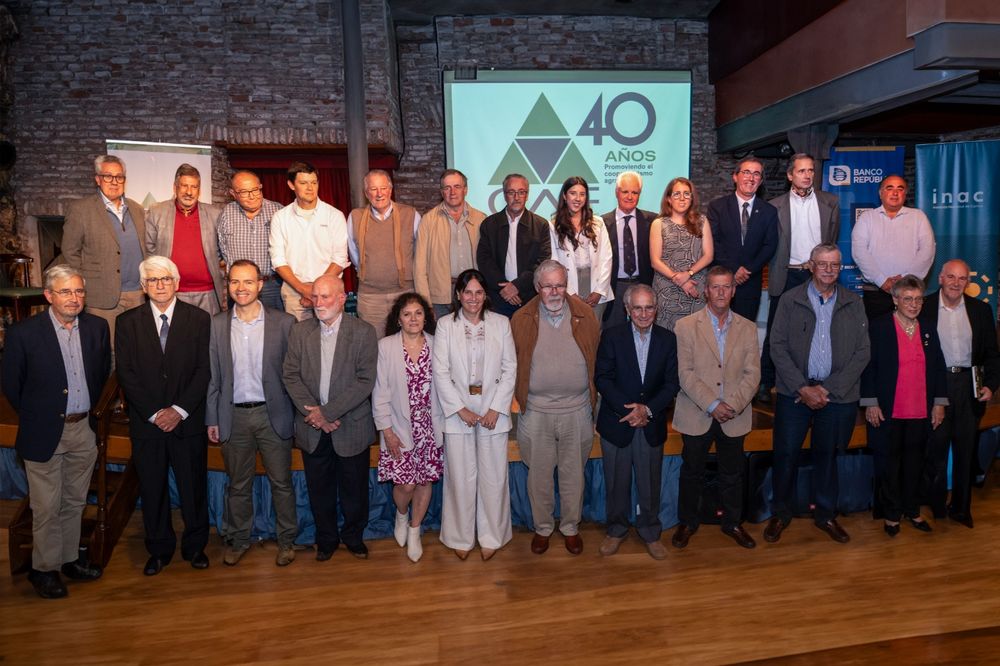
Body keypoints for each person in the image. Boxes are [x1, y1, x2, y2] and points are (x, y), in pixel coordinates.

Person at [2, 265, 111, 599]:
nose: (74, 298)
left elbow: (102, 372)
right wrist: (41, 415)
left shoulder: (97, 327)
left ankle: (67, 561)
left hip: (83, 430)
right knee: (47, 507)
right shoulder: (24, 334)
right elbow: (11, 385)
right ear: (48, 295)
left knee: (75, 502)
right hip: (43, 432)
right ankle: (43, 569)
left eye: (79, 291)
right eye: (65, 292)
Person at [766, 243, 870, 544]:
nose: (828, 269)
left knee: (829, 456)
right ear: (811, 266)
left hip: (837, 396)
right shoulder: (789, 300)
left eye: (834, 265)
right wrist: (802, 387)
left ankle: (826, 515)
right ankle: (780, 513)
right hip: (794, 393)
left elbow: (863, 352)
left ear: (840, 268)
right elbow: (777, 346)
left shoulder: (853, 302)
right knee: (785, 455)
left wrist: (827, 389)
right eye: (822, 264)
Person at [115, 256, 211, 575]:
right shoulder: (127, 323)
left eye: (166, 279)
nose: (160, 285)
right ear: (143, 287)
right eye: (153, 280)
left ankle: (196, 547)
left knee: (193, 488)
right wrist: (156, 413)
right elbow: (126, 374)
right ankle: (158, 550)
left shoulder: (199, 319)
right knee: (153, 489)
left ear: (177, 283)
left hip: (188, 421)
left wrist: (179, 410)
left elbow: (203, 371)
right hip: (148, 425)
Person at [206, 260, 297, 567]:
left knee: (281, 482)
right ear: (227, 286)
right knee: (238, 485)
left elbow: (292, 374)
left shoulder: (283, 323)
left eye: (247, 282)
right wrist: (212, 418)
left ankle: (287, 542)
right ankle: (239, 539)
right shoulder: (217, 324)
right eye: (234, 282)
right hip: (233, 416)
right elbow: (214, 376)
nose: (241, 288)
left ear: (260, 284)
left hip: (273, 415)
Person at [282, 275, 377, 560]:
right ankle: (326, 539)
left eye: (325, 297)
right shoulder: (300, 332)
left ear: (341, 298)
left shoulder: (363, 332)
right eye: (315, 297)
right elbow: (290, 375)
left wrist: (329, 412)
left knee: (354, 489)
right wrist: (316, 414)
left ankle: (353, 536)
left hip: (350, 426)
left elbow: (365, 380)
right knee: (319, 489)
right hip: (312, 428)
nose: (318, 303)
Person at [511, 260, 600, 555]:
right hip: (536, 411)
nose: (554, 291)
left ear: (566, 285)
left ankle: (571, 527)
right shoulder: (521, 318)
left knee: (574, 474)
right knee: (539, 476)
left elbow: (596, 359)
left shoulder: (585, 315)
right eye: (548, 285)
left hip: (577, 410)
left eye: (560, 285)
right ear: (537, 288)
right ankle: (543, 527)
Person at [671, 266, 759, 550]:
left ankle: (733, 522)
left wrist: (729, 405)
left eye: (726, 287)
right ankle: (687, 522)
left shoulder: (748, 327)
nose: (721, 292)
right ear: (706, 290)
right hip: (697, 413)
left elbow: (753, 375)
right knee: (692, 472)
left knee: (732, 474)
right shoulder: (685, 326)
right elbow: (685, 374)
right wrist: (712, 404)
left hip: (734, 414)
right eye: (715, 287)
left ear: (734, 291)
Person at [434, 269, 517, 561]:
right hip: (458, 411)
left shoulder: (501, 324)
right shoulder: (445, 325)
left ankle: (492, 535)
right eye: (467, 292)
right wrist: (459, 409)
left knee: (494, 476)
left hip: (494, 409)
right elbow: (440, 372)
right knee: (460, 476)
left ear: (485, 295)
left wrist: (496, 408)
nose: (473, 298)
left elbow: (510, 368)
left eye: (478, 292)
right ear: (458, 295)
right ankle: (460, 535)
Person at [595, 284, 679, 559]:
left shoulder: (668, 339)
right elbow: (602, 378)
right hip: (617, 422)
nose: (644, 313)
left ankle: (651, 532)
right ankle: (616, 530)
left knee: (649, 483)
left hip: (650, 423)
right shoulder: (611, 337)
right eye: (638, 308)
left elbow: (671, 384)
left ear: (656, 309)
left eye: (649, 307)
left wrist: (648, 410)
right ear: (627, 310)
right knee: (616, 482)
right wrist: (628, 410)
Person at [862, 275, 947, 537]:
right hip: (889, 409)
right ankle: (891, 514)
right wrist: (871, 401)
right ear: (895, 300)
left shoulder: (929, 328)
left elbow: (938, 367)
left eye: (918, 299)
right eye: (907, 299)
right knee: (888, 465)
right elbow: (868, 366)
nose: (914, 304)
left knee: (915, 464)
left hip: (920, 409)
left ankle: (912, 510)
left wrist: (939, 403)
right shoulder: (879, 327)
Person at [921, 259, 1000, 527]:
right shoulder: (925, 308)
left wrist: (990, 384)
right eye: (951, 277)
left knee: (966, 451)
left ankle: (961, 508)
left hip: (969, 387)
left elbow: (991, 354)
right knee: (936, 449)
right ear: (940, 278)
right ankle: (936, 504)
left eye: (962, 278)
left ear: (968, 282)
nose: (956, 283)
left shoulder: (981, 310)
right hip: (937, 386)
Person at [758, 154, 840, 402]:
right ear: (790, 175)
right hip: (787, 275)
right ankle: (765, 382)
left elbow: (831, 239)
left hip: (817, 275)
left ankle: (814, 381)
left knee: (820, 329)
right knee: (776, 332)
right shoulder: (774, 205)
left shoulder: (830, 202)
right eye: (801, 171)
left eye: (810, 171)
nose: (807, 175)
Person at [372, 292, 444, 563]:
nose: (413, 319)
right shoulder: (386, 347)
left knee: (424, 481)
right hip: (399, 426)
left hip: (430, 425)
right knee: (406, 485)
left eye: (418, 313)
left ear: (426, 317)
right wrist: (387, 432)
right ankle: (401, 514)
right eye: (407, 314)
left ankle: (415, 529)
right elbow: (380, 392)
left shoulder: (438, 345)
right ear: (398, 319)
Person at [62, 155, 147, 345]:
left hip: (137, 295)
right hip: (101, 298)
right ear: (98, 179)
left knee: (136, 350)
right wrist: (83, 285)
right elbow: (70, 252)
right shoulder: (81, 210)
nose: (114, 182)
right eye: (108, 176)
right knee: (107, 353)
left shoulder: (137, 209)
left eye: (119, 177)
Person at [269, 161, 350, 321]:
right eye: (303, 183)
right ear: (291, 185)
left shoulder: (334, 215)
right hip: (294, 292)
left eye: (314, 182)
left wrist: (315, 291)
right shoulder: (280, 217)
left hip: (330, 290)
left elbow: (340, 258)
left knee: (334, 340)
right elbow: (278, 260)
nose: (310, 188)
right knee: (299, 341)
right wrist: (303, 290)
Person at [347, 169, 422, 337]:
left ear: (391, 189)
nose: (379, 194)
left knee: (408, 342)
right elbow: (354, 254)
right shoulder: (355, 217)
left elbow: (420, 252)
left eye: (383, 188)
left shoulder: (410, 214)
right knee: (374, 347)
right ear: (366, 193)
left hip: (404, 292)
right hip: (370, 298)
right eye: (373, 189)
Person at [851, 175, 935, 320]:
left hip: (910, 293)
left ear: (905, 193)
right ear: (881, 193)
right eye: (889, 188)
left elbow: (927, 250)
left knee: (909, 337)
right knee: (877, 337)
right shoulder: (867, 218)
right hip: (876, 293)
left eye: (900, 189)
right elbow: (859, 251)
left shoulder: (918, 217)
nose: (895, 193)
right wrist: (882, 280)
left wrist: (905, 281)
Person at [705, 158, 779, 323]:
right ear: (735, 177)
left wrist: (747, 270)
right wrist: (734, 269)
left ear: (760, 181)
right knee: (717, 329)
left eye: (756, 174)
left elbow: (770, 245)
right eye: (746, 172)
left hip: (750, 282)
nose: (751, 178)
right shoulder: (717, 207)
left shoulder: (769, 211)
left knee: (744, 333)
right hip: (721, 281)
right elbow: (713, 242)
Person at [144, 164, 225, 314]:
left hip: (208, 295)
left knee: (208, 337)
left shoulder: (215, 214)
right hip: (171, 293)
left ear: (199, 190)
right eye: (184, 186)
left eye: (194, 187)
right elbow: (150, 252)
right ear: (175, 187)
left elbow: (222, 251)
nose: (189, 192)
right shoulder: (156, 212)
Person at [476, 173, 551, 317]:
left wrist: (517, 286)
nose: (516, 197)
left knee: (527, 339)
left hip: (529, 297)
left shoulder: (541, 225)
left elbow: (542, 262)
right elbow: (484, 260)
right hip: (498, 298)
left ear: (527, 195)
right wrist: (505, 288)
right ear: (504, 195)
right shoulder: (489, 224)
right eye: (511, 192)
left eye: (521, 192)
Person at [413, 169, 485, 319]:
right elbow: (419, 265)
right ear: (441, 192)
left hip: (472, 295)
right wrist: (425, 302)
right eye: (447, 188)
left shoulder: (481, 219)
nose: (452, 192)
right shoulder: (428, 220)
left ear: (465, 189)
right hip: (440, 298)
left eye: (457, 187)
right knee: (441, 341)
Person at [650, 177, 714, 331]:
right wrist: (679, 279)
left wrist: (689, 273)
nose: (682, 198)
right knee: (666, 340)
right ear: (669, 199)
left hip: (695, 290)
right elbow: (655, 261)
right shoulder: (658, 224)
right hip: (667, 290)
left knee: (696, 338)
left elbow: (708, 255)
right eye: (677, 194)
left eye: (687, 194)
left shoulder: (702, 221)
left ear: (692, 198)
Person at [217, 170, 285, 311]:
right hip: (239, 289)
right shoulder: (226, 214)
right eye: (244, 192)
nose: (252, 196)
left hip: (272, 286)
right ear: (233, 193)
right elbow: (222, 249)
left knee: (274, 329)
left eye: (255, 190)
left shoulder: (278, 211)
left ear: (260, 187)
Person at [548, 176, 613, 320]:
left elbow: (606, 258)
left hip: (596, 287)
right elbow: (554, 262)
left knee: (594, 334)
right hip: (568, 286)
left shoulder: (598, 223)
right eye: (573, 193)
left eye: (582, 194)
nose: (578, 198)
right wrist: (570, 293)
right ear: (565, 196)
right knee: (572, 333)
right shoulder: (553, 225)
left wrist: (599, 291)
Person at [602, 171, 656, 330]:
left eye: (635, 192)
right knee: (612, 333)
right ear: (616, 192)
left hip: (643, 284)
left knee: (643, 332)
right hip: (614, 288)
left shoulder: (653, 221)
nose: (630, 196)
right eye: (625, 191)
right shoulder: (602, 223)